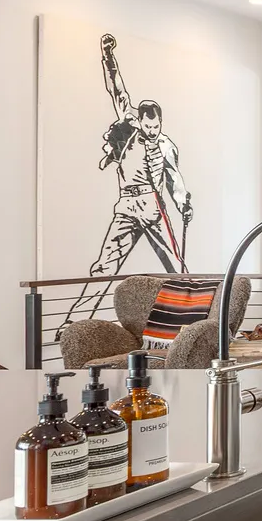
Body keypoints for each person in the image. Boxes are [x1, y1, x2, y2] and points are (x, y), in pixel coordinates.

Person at [63, 34, 194, 326]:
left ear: (160, 122)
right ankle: (74, 322)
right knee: (104, 266)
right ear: (141, 120)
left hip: (153, 205)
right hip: (127, 204)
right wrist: (108, 57)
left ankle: (194, 317)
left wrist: (183, 202)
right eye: (148, 126)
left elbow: (174, 178)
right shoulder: (131, 125)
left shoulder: (166, 144)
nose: (151, 131)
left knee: (174, 265)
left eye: (156, 126)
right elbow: (117, 90)